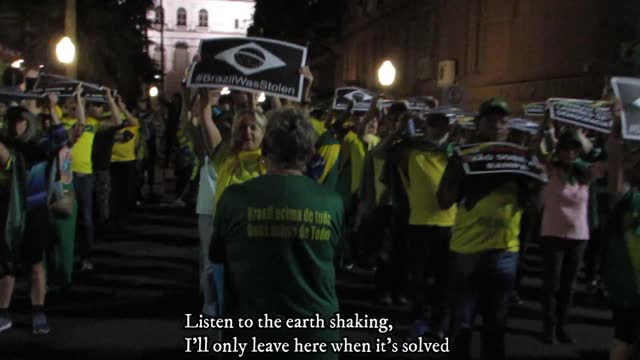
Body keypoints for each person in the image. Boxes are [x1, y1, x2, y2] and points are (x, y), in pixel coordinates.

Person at [209, 108, 344, 360]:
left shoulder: (234, 199)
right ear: (309, 153)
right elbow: (334, 261)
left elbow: (218, 256)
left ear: (264, 150)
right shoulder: (332, 202)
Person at [438, 98, 541, 360]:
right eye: (491, 119)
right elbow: (443, 201)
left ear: (509, 126)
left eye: (503, 120)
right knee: (461, 325)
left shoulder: (520, 157)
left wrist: (537, 178)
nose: (497, 125)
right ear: (479, 123)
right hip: (467, 252)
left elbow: (534, 208)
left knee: (496, 327)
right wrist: (460, 169)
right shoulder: (463, 155)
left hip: (505, 252)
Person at [0, 103, 68, 335]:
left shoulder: (39, 146)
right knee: (6, 266)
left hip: (35, 210)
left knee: (36, 264)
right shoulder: (8, 145)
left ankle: (38, 311)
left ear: (28, 122)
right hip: (8, 212)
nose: (14, 126)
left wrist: (52, 105)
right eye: (11, 121)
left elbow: (62, 137)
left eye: (19, 121)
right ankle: (3, 312)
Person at [539, 128, 605, 344]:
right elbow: (535, 154)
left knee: (569, 284)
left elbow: (604, 159)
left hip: (578, 236)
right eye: (565, 149)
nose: (570, 153)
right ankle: (548, 326)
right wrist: (546, 129)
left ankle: (562, 326)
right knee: (552, 284)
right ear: (558, 151)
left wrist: (580, 135)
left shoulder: (585, 172)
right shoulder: (550, 169)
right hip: (552, 234)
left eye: (574, 149)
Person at [606, 105, 640, 360]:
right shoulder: (628, 198)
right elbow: (617, 177)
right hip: (630, 288)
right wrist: (617, 135)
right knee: (625, 341)